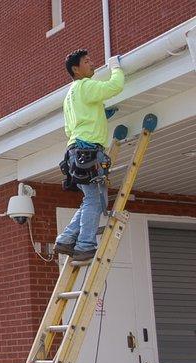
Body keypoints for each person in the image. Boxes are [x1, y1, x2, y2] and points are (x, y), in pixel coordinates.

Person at [54, 49, 125, 261]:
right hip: (89, 151)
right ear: (76, 69)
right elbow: (115, 86)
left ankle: (66, 239)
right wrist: (116, 67)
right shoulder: (85, 85)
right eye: (87, 61)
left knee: (90, 199)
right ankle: (85, 245)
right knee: (94, 200)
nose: (92, 64)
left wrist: (101, 114)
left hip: (76, 152)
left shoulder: (70, 95)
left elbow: (75, 124)